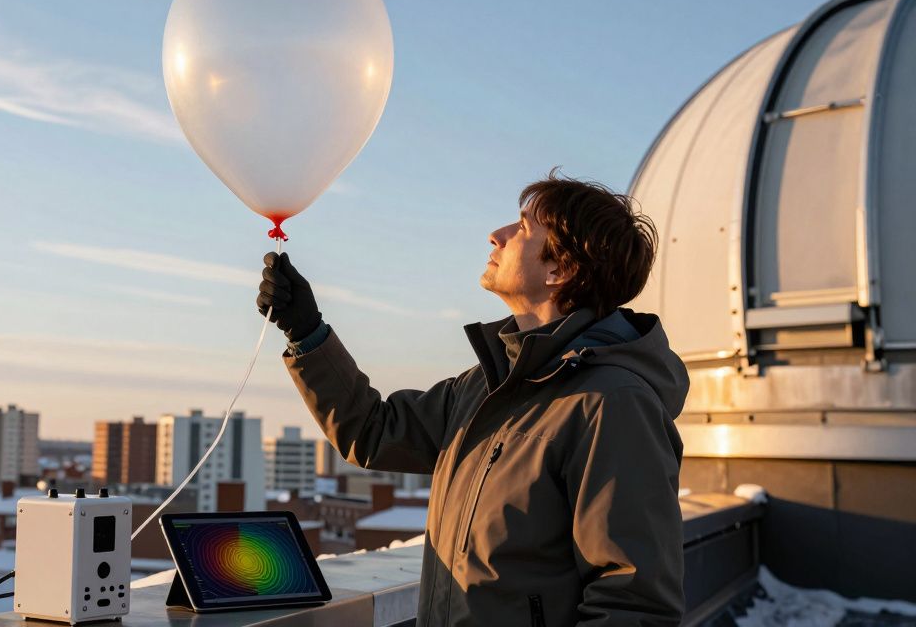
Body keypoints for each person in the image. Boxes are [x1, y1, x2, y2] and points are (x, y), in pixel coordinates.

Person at [256, 171, 688, 626]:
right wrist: (306, 331)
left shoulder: (612, 405)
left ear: (561, 270)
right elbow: (374, 432)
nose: (496, 235)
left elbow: (632, 603)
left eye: (522, 228)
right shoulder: (484, 387)